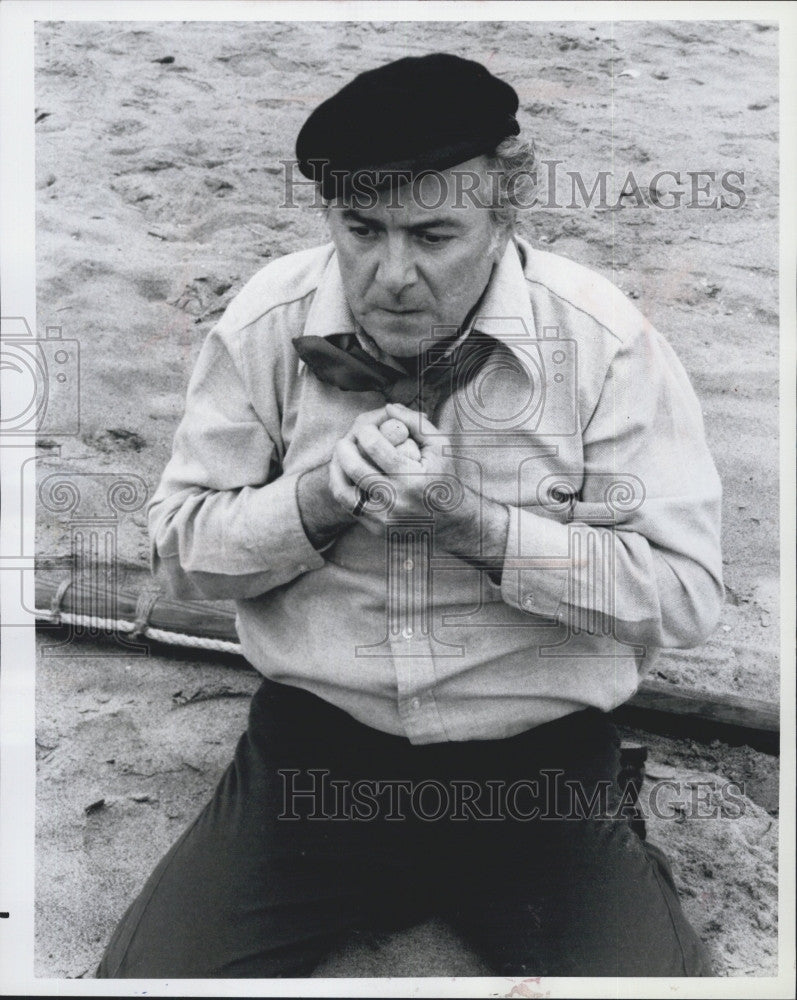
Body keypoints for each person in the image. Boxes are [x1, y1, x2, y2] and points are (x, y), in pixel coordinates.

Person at [97, 53, 723, 978]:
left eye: (433, 234)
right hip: (314, 760)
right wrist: (313, 501)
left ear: (505, 210)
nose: (390, 274)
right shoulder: (265, 325)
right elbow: (181, 558)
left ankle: (603, 822)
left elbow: (683, 597)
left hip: (534, 766)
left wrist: (474, 526)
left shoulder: (605, 342)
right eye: (361, 228)